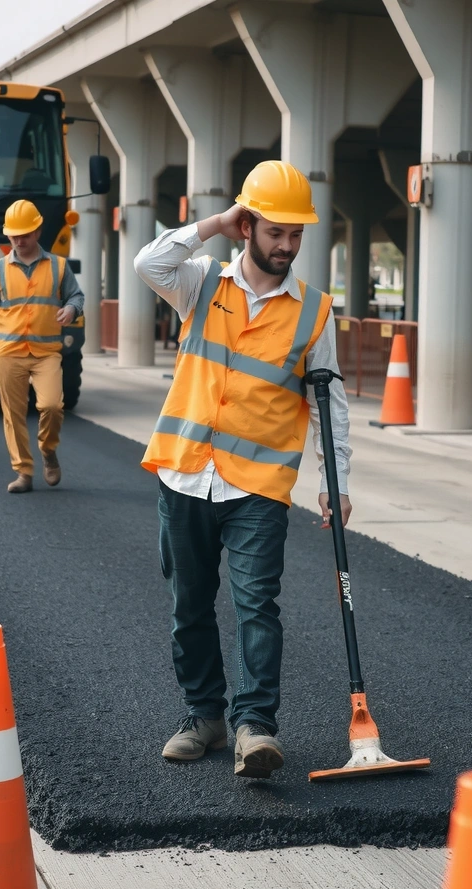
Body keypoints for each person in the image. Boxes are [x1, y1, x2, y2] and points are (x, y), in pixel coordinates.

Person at [134, 160, 352, 780]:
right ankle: (202, 716)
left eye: (297, 235)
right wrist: (211, 225)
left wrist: (334, 483)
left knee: (258, 604)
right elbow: (147, 265)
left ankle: (255, 726)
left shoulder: (314, 313)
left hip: (258, 487)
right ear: (249, 224)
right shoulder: (201, 284)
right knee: (190, 604)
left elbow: (329, 405)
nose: (287, 246)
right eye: (276, 232)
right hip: (184, 474)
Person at [0, 199, 84, 493]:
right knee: (13, 415)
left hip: (46, 353)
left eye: (25, 235)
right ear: (7, 236)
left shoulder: (58, 266)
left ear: (38, 232)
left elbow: (76, 297)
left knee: (52, 406)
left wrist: (71, 310)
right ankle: (24, 473)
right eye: (14, 235)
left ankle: (48, 450)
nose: (19, 240)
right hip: (9, 353)